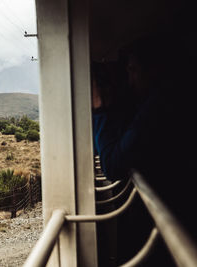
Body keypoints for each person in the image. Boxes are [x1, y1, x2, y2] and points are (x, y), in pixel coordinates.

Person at [92, 33, 197, 265]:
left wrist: (99, 108)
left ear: (155, 70)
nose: (129, 79)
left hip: (170, 225)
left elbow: (112, 164)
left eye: (133, 70)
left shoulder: (161, 106)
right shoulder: (161, 101)